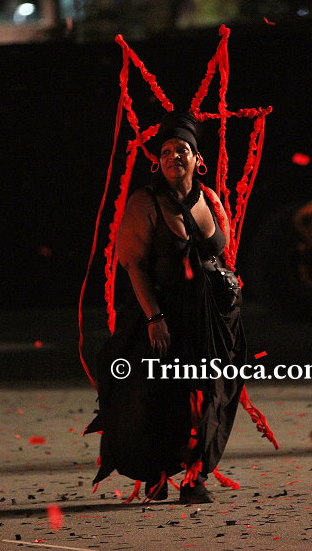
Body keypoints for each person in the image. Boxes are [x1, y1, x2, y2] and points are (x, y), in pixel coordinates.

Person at [85, 111, 246, 504]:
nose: (174, 156)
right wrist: (154, 317)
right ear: (158, 161)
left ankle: (195, 476)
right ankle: (156, 470)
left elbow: (220, 251)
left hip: (212, 318)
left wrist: (225, 287)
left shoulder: (210, 199)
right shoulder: (146, 202)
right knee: (159, 396)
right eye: (167, 151)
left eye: (182, 150)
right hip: (165, 313)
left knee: (212, 393)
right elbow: (133, 264)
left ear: (197, 159)